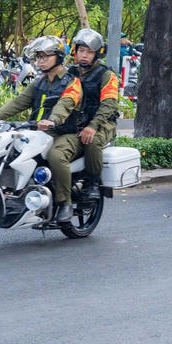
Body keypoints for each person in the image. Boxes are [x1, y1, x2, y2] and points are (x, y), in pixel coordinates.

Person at [0, 35, 76, 220]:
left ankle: (65, 203)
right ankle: (13, 195)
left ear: (58, 56)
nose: (40, 60)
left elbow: (65, 104)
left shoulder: (71, 82)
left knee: (57, 157)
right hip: (36, 132)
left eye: (45, 56)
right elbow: (20, 101)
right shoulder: (39, 82)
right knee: (8, 151)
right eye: (38, 56)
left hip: (61, 132)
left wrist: (53, 120)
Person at [46, 28, 121, 223]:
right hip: (75, 123)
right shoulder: (70, 73)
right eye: (81, 51)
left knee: (93, 141)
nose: (84, 55)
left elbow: (109, 104)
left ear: (97, 54)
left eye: (88, 52)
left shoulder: (106, 75)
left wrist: (93, 126)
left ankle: (92, 183)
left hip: (102, 123)